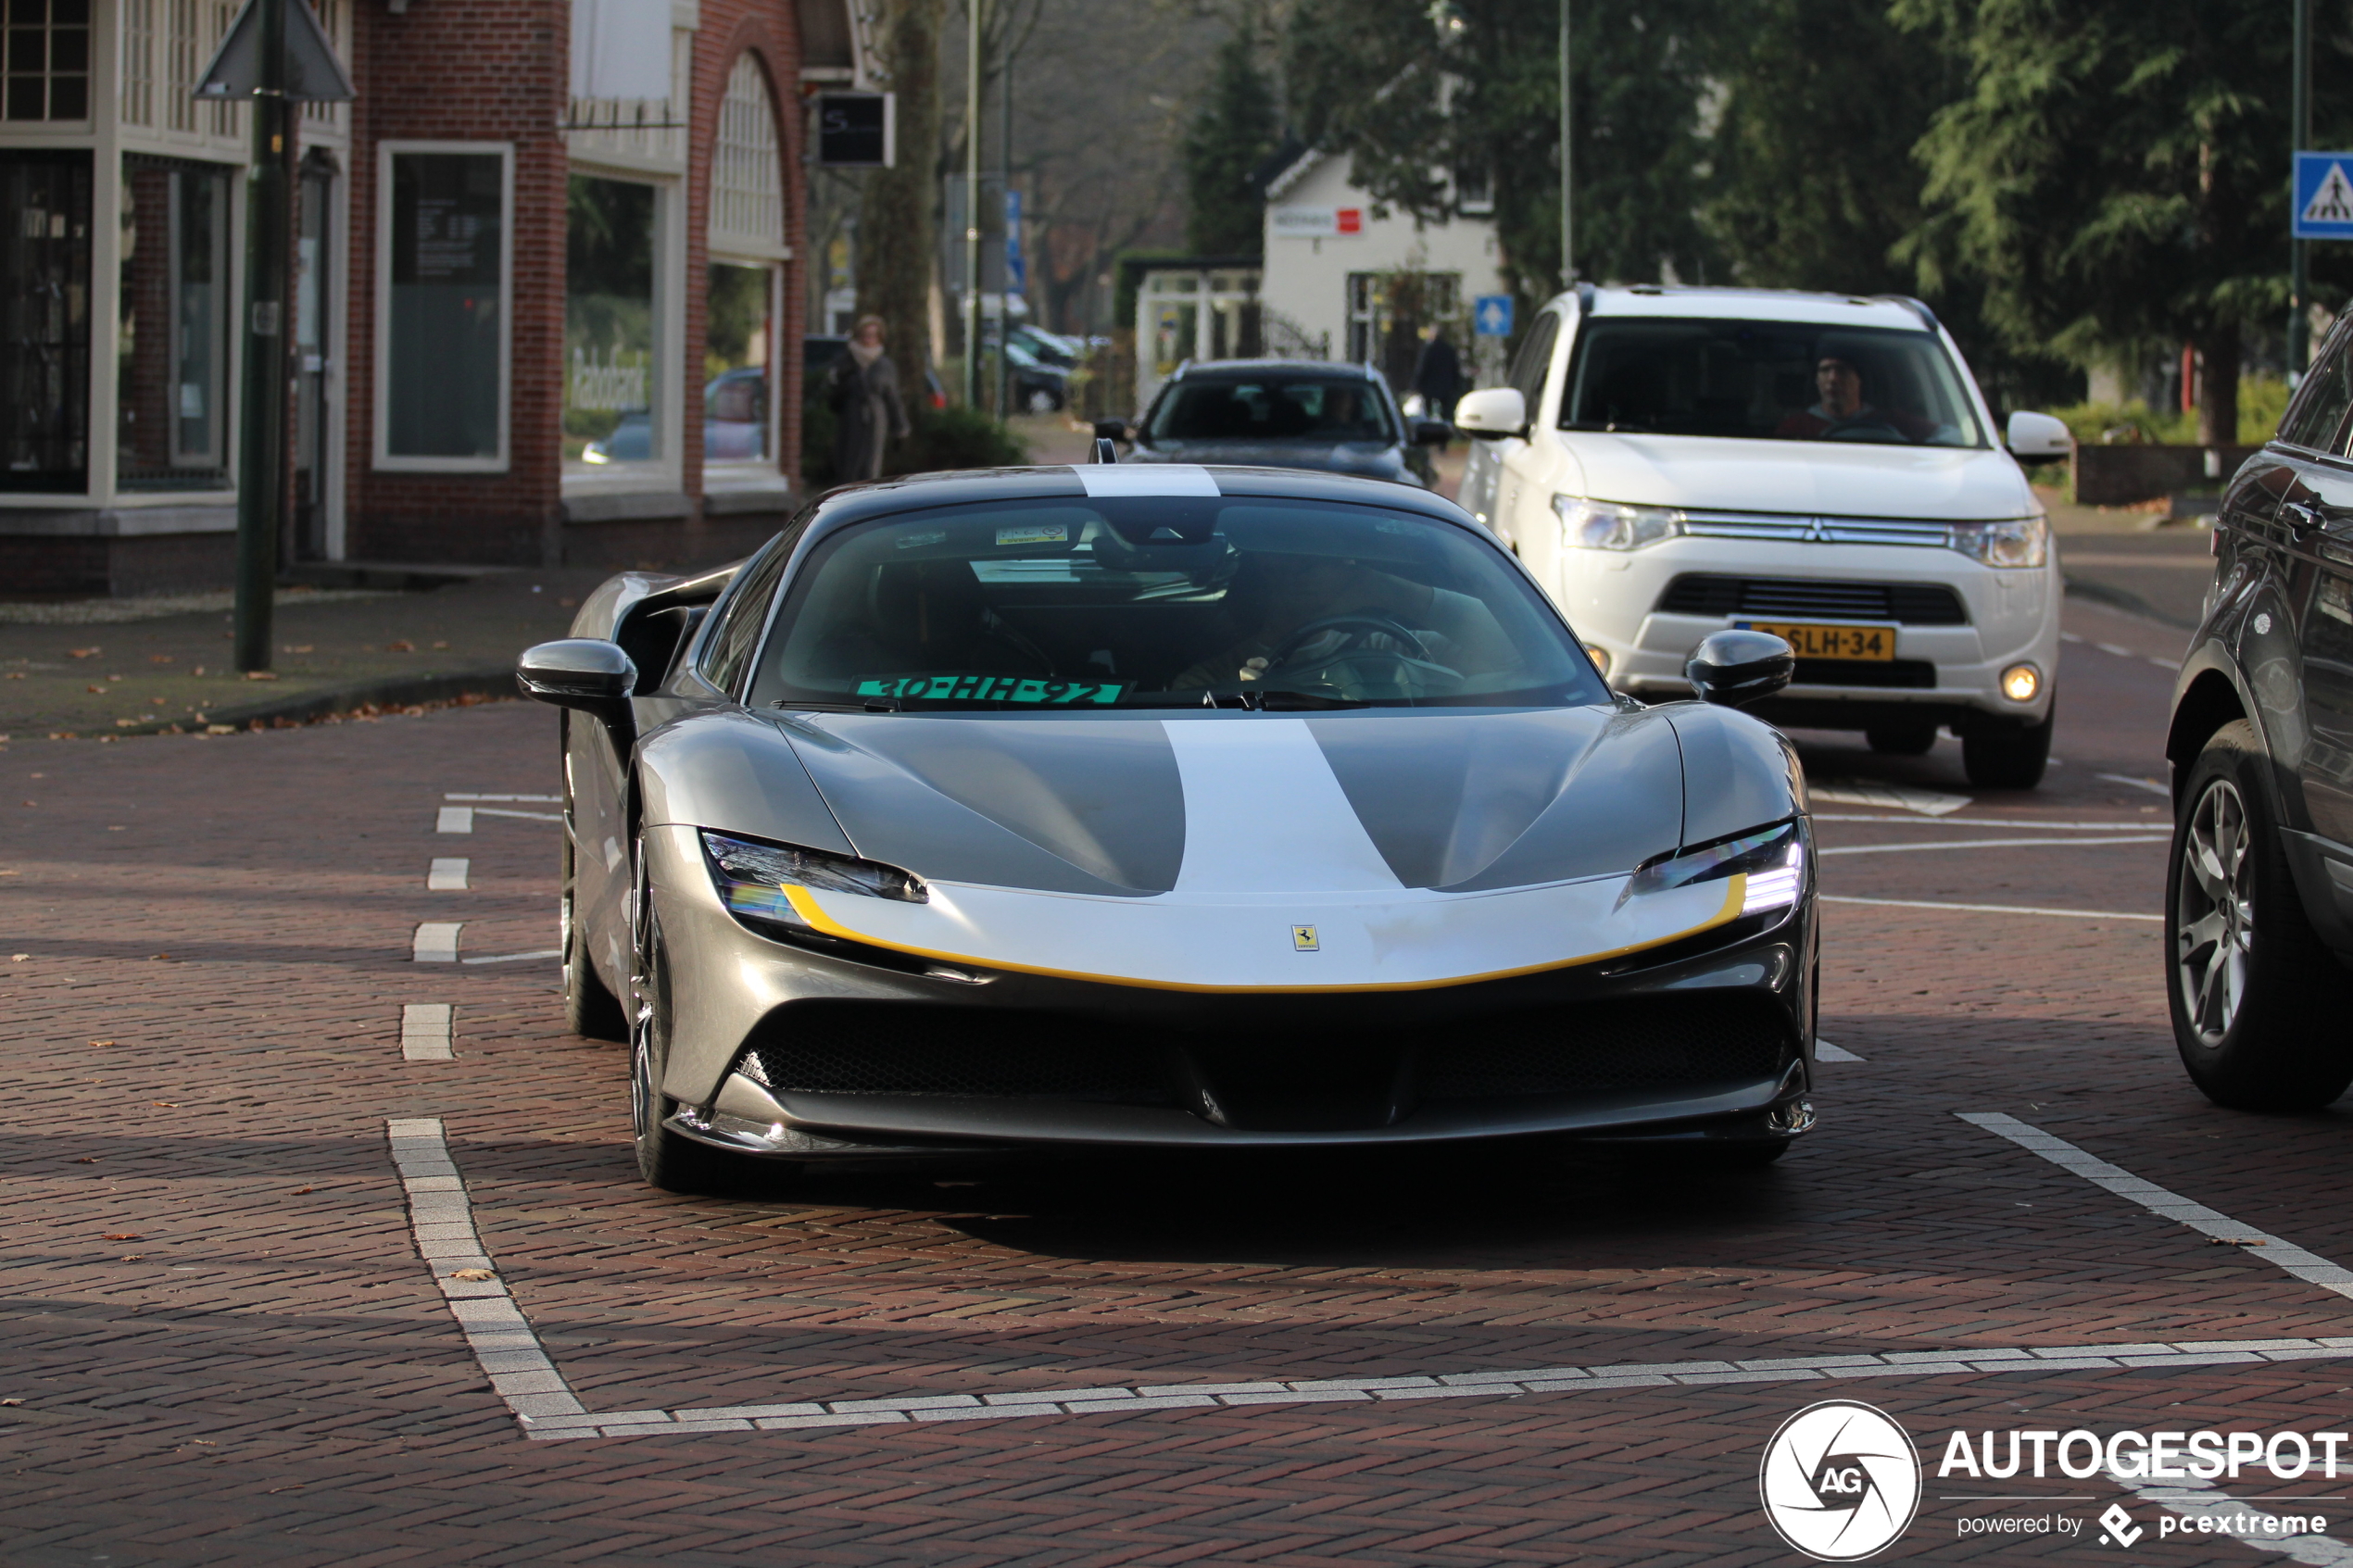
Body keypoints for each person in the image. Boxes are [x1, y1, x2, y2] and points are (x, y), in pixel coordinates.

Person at [826, 315, 912, 482]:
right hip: (851, 416)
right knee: (849, 462)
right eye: (865, 335)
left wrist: (900, 426)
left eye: (873, 335)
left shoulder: (884, 365)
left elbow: (892, 396)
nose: (868, 339)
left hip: (876, 417)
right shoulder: (845, 361)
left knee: (871, 463)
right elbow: (833, 394)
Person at [1775, 354, 1931, 443]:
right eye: (1825, 370)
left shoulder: (1892, 421)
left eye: (1842, 370)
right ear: (1817, 380)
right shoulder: (1796, 427)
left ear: (1859, 379)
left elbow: (1946, 435)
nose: (1833, 379)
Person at [1410, 323, 1466, 423]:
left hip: (1429, 388)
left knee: (1428, 413)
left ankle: (1429, 427)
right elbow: (1455, 369)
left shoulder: (1428, 349)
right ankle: (1447, 428)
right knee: (1447, 413)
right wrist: (1457, 385)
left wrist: (1415, 385)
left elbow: (1422, 368)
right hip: (1446, 387)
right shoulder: (1449, 349)